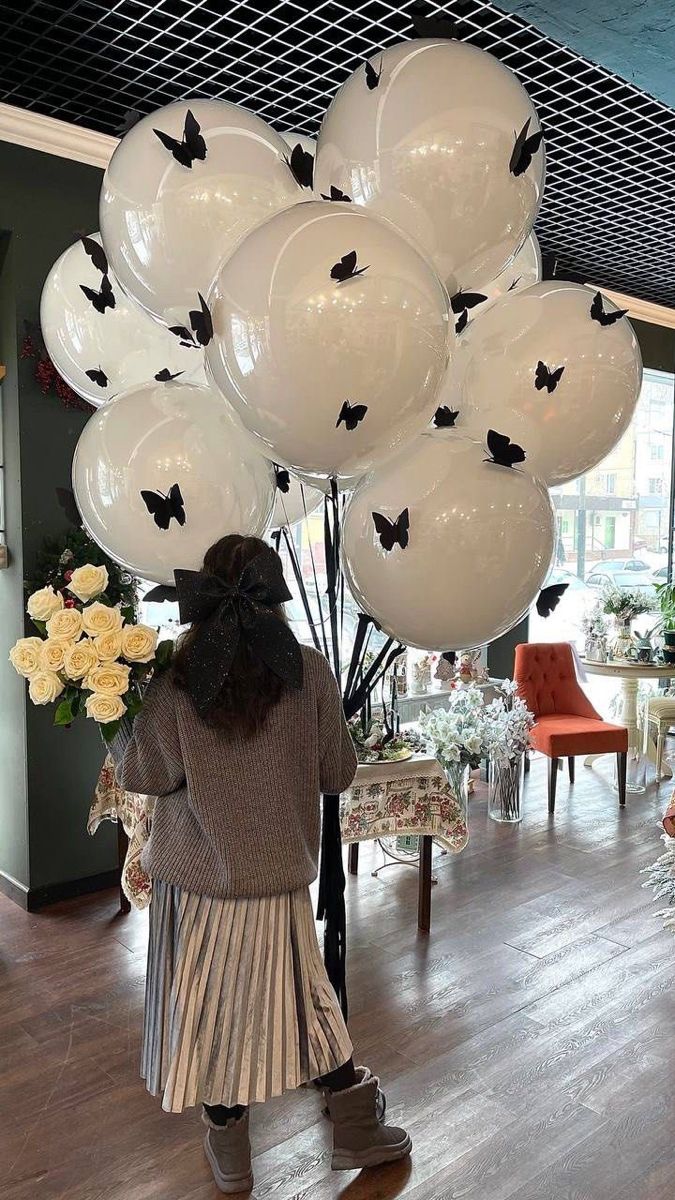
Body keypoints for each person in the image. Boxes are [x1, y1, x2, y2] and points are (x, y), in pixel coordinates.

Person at [109, 534, 411, 1193]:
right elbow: (337, 773)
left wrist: (116, 714)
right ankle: (355, 1124)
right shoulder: (307, 670)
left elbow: (144, 773)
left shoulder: (174, 682)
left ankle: (233, 1151)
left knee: (212, 1013)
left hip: (199, 885)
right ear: (273, 594)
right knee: (304, 1002)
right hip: (278, 881)